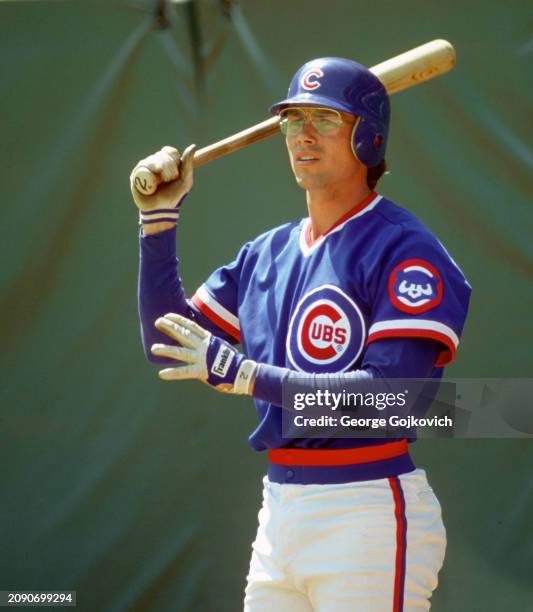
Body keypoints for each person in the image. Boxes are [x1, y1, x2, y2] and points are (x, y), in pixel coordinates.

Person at [131, 57, 471, 611]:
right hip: (280, 512)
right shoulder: (266, 252)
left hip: (366, 513)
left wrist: (248, 375)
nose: (302, 135)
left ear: (369, 136)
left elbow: (393, 399)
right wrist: (158, 224)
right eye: (292, 120)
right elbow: (167, 346)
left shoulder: (404, 247)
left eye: (325, 119)